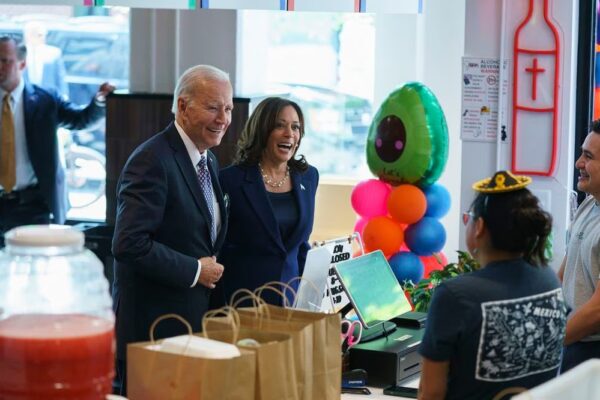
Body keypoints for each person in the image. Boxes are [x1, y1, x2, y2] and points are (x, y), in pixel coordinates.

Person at [111, 64, 231, 395]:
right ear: (182, 106)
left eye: (228, 108)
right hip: (151, 332)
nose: (223, 118)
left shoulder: (209, 160)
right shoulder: (151, 160)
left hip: (188, 328)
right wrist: (195, 270)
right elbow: (129, 244)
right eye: (212, 107)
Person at [418, 171, 567, 400]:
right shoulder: (549, 280)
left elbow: (431, 394)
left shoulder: (455, 295)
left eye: (467, 218)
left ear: (479, 227)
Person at [0, 36, 113, 239]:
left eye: (4, 60)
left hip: (32, 206)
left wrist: (99, 102)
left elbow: (80, 120)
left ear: (22, 64)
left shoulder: (45, 100)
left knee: (32, 266)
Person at [215, 96, 318, 306]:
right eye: (280, 125)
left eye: (296, 127)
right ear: (262, 130)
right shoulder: (229, 180)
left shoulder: (309, 177)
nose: (290, 134)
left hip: (293, 296)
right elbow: (219, 245)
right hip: (243, 300)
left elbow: (299, 245)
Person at [559, 119, 600, 372]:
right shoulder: (588, 205)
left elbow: (597, 311)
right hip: (573, 342)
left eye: (588, 156)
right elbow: (563, 276)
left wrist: (544, 342)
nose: (578, 164)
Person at [23, 21, 69, 99]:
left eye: (43, 34)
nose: (42, 37)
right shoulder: (20, 52)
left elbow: (60, 78)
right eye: (38, 35)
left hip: (48, 96)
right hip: (26, 97)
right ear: (28, 35)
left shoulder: (53, 53)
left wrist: (64, 96)